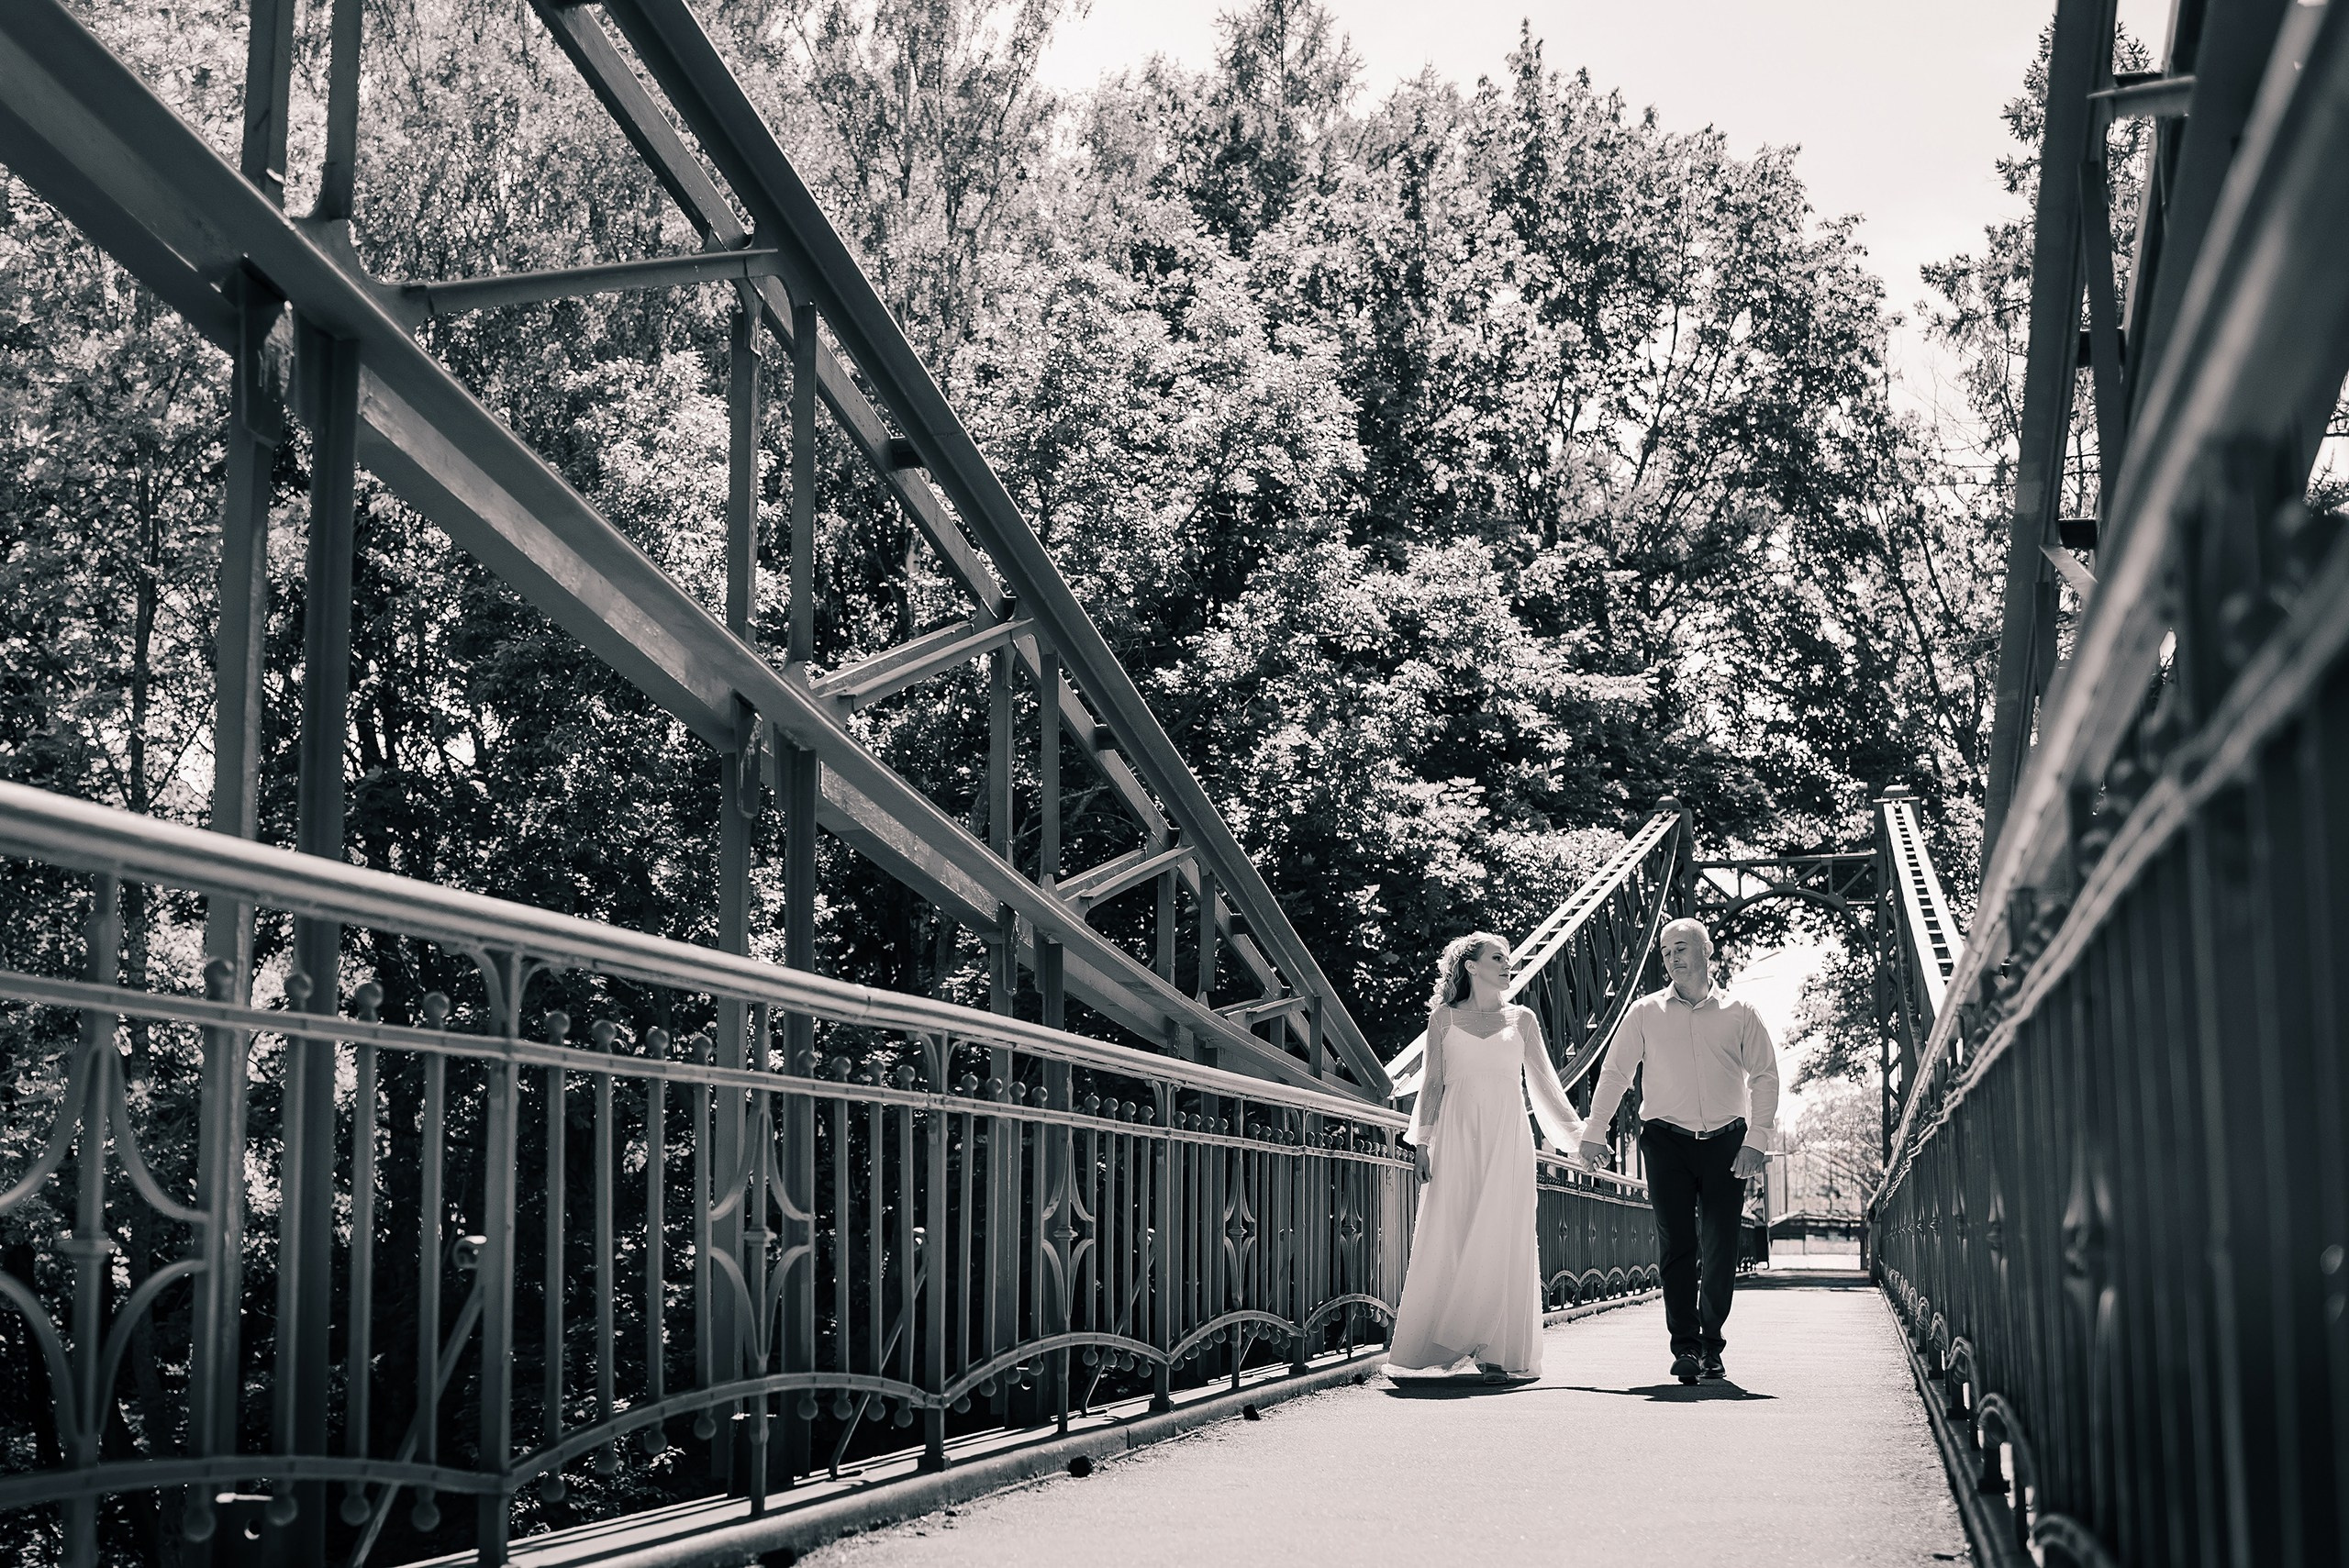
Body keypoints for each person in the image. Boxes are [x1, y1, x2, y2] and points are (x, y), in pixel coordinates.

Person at [1578, 917, 1779, 1385]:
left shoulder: (1741, 1011)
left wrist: (1757, 1140)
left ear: (1708, 952)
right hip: (1665, 1139)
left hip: (1728, 1142)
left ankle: (1713, 1341)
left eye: (1682, 948)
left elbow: (1765, 1076)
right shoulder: (1645, 1012)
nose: (1672, 958)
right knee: (1676, 1245)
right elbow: (1615, 1073)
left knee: (1721, 1245)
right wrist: (1594, 1131)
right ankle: (1686, 1346)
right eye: (1666, 952)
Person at [1387, 932, 1587, 1383]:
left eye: (1509, 959)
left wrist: (1580, 1136)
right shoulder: (1443, 1019)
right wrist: (1421, 1143)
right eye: (1497, 958)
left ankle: (1496, 1351)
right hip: (1456, 1135)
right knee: (1452, 1229)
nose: (1507, 965)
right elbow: (1432, 1086)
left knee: (1505, 1231)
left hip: (1508, 1135)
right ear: (1471, 966)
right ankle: (1445, 1340)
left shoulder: (1524, 1019)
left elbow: (1545, 1085)